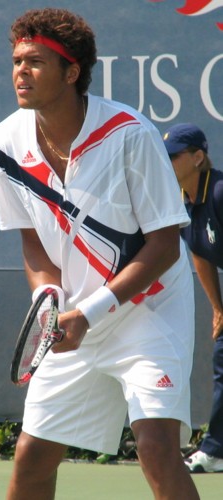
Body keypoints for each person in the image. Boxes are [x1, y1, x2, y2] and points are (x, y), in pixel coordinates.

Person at [0, 8, 200, 499]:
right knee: (32, 457)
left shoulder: (131, 134)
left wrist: (92, 312)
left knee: (155, 447)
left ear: (72, 72)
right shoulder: (4, 142)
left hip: (149, 309)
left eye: (36, 62)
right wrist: (48, 300)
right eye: (17, 61)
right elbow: (32, 240)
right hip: (74, 318)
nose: (21, 71)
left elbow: (165, 245)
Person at [163, 122, 223, 473]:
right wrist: (218, 307)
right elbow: (201, 255)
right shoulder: (184, 203)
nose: (165, 162)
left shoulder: (218, 193)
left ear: (198, 157)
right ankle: (216, 451)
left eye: (173, 157)